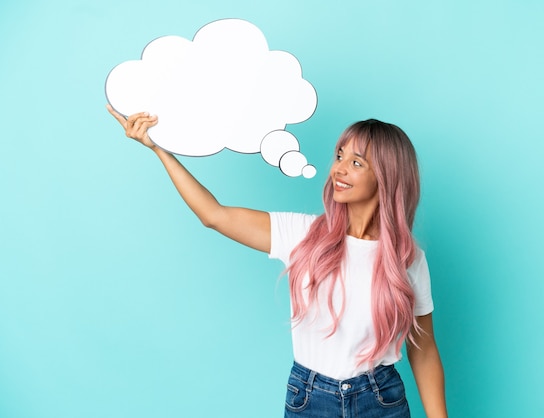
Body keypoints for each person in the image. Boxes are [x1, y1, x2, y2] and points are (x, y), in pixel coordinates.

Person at [107, 105, 448, 418]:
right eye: (339, 155)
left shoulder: (407, 258)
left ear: (386, 177)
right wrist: (158, 149)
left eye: (356, 162)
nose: (338, 170)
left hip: (380, 399)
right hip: (311, 398)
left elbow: (424, 347)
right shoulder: (302, 234)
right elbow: (214, 215)